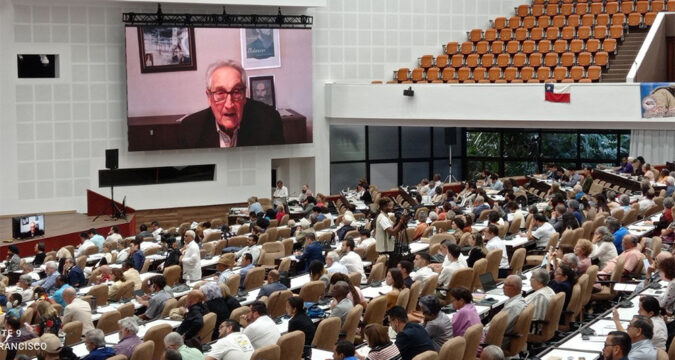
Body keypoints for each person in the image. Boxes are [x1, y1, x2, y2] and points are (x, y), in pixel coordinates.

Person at [180, 60, 284, 148]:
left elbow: (276, 168)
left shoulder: (268, 122)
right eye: (220, 93)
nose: (229, 105)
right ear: (209, 97)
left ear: (244, 96)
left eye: (236, 92)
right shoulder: (191, 129)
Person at [491, 275, 526, 348]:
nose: (502, 287)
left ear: (513, 289)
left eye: (505, 285)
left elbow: (497, 327)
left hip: (500, 341)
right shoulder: (518, 300)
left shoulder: (513, 307)